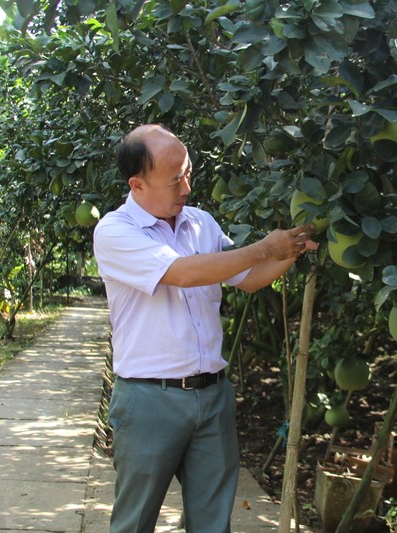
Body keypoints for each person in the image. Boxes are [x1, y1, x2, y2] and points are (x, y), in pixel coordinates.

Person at [93, 124, 317, 533]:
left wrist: (294, 246)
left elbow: (247, 275)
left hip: (212, 396)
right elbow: (183, 272)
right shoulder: (115, 231)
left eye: (189, 172)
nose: (187, 187)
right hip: (149, 400)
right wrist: (266, 246)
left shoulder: (199, 222)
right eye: (175, 179)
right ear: (137, 184)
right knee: (135, 521)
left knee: (213, 523)